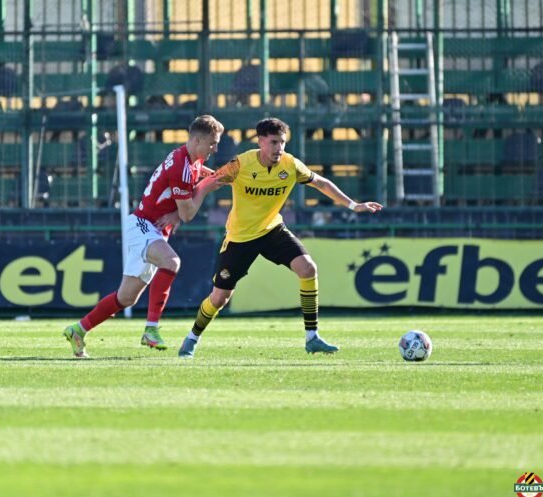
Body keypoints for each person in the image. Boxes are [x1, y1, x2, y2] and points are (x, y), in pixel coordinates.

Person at [178, 117, 383, 358]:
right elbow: (207, 184)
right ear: (261, 142)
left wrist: (353, 205)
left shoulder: (290, 165)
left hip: (271, 230)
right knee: (220, 297)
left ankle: (312, 337)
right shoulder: (241, 164)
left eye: (283, 142)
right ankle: (192, 338)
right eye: (274, 142)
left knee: (308, 269)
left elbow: (321, 183)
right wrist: (189, 206)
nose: (279, 148)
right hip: (240, 237)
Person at [63, 115, 225, 358]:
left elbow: (196, 176)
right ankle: (151, 329)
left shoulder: (188, 159)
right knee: (172, 262)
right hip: (143, 226)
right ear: (197, 139)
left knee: (125, 297)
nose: (215, 148)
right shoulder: (182, 167)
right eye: (212, 143)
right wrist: (205, 188)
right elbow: (189, 213)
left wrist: (216, 177)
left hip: (152, 228)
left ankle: (78, 330)